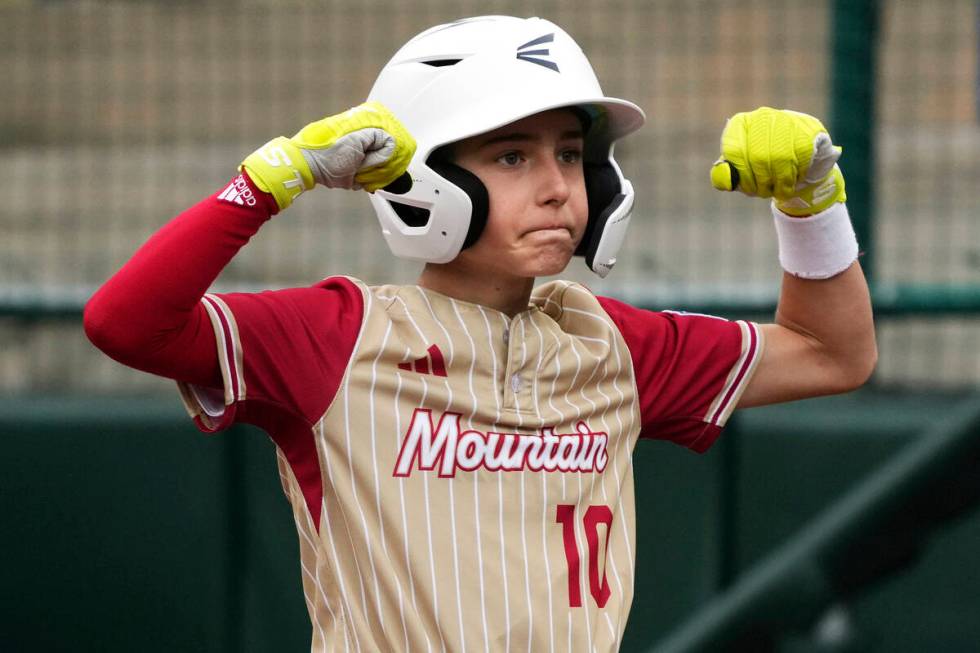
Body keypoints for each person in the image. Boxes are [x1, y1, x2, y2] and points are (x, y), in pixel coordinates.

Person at [84, 15, 876, 652]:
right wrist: (267, 181)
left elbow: (832, 353)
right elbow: (125, 323)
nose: (559, 186)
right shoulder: (335, 335)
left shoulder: (609, 343)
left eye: (570, 153)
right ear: (428, 175)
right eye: (510, 155)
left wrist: (811, 203)